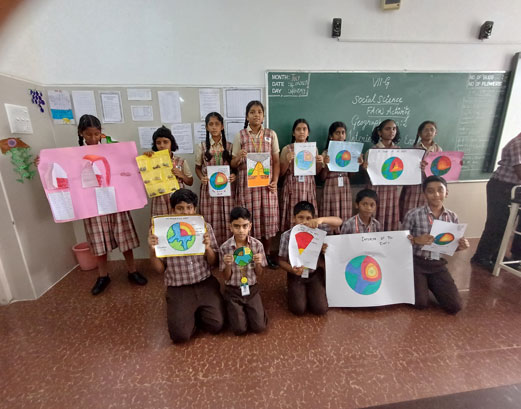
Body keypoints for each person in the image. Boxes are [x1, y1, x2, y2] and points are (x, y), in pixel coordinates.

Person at [72, 115, 148, 295]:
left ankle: (132, 270)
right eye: (88, 135)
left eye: (96, 134)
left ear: (101, 132)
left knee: (124, 236)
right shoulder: (74, 154)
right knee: (98, 240)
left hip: (115, 199)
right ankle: (103, 275)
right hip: (92, 204)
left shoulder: (113, 148)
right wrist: (43, 163)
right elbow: (69, 175)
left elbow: (127, 164)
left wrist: (143, 158)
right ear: (81, 133)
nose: (93, 138)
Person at [147, 189, 225, 343]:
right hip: (178, 287)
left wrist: (208, 248)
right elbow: (159, 269)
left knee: (217, 325)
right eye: (180, 208)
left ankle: (197, 309)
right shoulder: (161, 231)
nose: (185, 212)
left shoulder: (204, 227)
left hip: (204, 282)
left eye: (189, 208)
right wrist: (152, 250)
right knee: (180, 336)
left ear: (195, 209)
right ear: (172, 210)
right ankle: (186, 311)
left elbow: (213, 262)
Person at [402, 175, 470, 314]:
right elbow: (400, 243)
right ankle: (419, 282)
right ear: (424, 194)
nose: (436, 195)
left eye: (440, 190)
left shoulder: (452, 217)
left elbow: (451, 247)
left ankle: (429, 282)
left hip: (438, 265)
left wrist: (460, 246)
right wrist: (416, 240)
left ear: (446, 193)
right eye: (430, 191)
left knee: (455, 306)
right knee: (420, 303)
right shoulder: (413, 214)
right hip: (417, 263)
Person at [230, 100, 280, 267]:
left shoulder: (271, 134)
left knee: (268, 220)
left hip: (266, 187)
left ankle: (267, 254)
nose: (256, 115)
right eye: (252, 112)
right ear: (247, 116)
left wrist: (275, 181)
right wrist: (239, 157)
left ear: (263, 116)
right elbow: (233, 163)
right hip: (247, 186)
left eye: (259, 112)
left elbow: (276, 161)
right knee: (249, 219)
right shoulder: (240, 135)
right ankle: (250, 254)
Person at [278, 201, 342, 315]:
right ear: (293, 218)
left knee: (320, 309)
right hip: (296, 275)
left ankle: (313, 288)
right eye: (300, 217)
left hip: (314, 274)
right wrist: (292, 270)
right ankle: (293, 288)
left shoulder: (318, 231)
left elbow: (339, 222)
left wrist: (321, 220)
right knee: (298, 309)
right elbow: (281, 261)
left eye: (308, 218)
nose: (304, 221)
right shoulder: (287, 236)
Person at [472, 132, 521, 270]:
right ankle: (481, 257)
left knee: (509, 225)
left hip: (515, 189)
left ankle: (497, 255)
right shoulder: (518, 144)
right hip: (502, 187)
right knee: (497, 223)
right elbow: (519, 170)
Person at [219, 207, 268, 335]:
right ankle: (232, 307)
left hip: (252, 289)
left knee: (259, 327)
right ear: (230, 227)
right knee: (239, 329)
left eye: (244, 226)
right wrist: (227, 265)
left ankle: (254, 310)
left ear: (250, 226)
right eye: (236, 226)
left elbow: (259, 273)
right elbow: (226, 277)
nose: (241, 230)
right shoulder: (225, 248)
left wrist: (258, 263)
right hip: (233, 291)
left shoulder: (257, 245)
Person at [195, 112, 236, 245]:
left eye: (217, 124)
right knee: (210, 219)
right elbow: (197, 168)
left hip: (227, 190)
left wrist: (234, 176)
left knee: (227, 218)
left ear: (222, 126)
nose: (214, 127)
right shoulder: (202, 147)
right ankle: (212, 250)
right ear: (207, 127)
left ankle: (227, 248)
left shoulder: (230, 146)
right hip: (209, 190)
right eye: (211, 124)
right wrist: (202, 177)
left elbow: (235, 168)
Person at [279, 118, 323, 231]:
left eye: (304, 129)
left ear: (308, 133)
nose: (301, 132)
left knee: (308, 217)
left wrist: (319, 163)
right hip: (291, 187)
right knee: (292, 216)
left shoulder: (313, 149)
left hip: (308, 187)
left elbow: (317, 172)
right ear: (293, 133)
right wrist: (287, 160)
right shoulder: (287, 149)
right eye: (298, 129)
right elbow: (281, 173)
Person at [144, 126, 193, 217]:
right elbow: (145, 178)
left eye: (165, 142)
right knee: (161, 222)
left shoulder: (181, 161)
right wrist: (146, 159)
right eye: (158, 143)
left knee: (179, 222)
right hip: (160, 199)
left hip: (178, 198)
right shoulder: (152, 160)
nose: (162, 145)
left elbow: (190, 182)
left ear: (171, 143)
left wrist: (181, 175)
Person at [319, 121, 359, 232]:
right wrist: (326, 165)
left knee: (344, 215)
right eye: (337, 133)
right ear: (331, 136)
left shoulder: (349, 152)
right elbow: (322, 178)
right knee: (330, 215)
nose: (341, 135)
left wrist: (355, 164)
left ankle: (344, 237)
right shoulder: (325, 153)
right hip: (330, 187)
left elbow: (351, 175)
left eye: (343, 132)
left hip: (345, 186)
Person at [400, 121, 442, 221]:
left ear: (436, 133)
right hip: (413, 187)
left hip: (430, 186)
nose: (429, 132)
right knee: (410, 211)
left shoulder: (439, 150)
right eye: (426, 130)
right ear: (419, 133)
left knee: (426, 215)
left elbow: (441, 170)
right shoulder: (413, 149)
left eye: (432, 130)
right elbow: (406, 169)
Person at [364, 119, 401, 231]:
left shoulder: (400, 151)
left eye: (394, 128)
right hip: (376, 189)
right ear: (380, 132)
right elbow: (367, 175)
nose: (392, 131)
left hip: (391, 190)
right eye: (387, 129)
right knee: (374, 215)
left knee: (390, 219)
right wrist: (365, 168)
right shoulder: (372, 151)